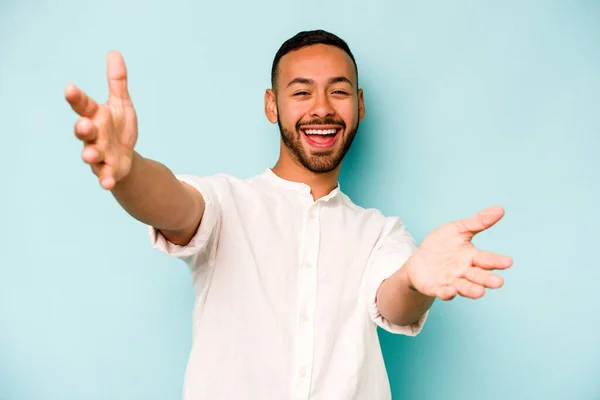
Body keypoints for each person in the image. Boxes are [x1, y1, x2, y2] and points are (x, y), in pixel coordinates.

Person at [64, 30, 513, 400]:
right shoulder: (226, 202)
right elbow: (174, 205)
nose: (322, 108)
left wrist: (415, 279)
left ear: (359, 105)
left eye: (338, 92)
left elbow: (393, 300)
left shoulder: (380, 233)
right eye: (301, 92)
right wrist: (128, 171)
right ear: (271, 105)